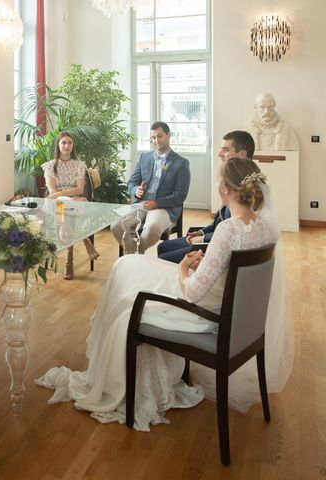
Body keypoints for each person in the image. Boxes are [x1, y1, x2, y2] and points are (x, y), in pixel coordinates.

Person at [36, 156, 282, 430]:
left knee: (127, 282)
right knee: (130, 267)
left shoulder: (227, 230)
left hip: (204, 312)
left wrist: (184, 269)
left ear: (225, 189)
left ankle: (116, 380)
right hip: (231, 310)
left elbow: (192, 293)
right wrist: (204, 264)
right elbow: (232, 270)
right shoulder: (265, 228)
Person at [158, 130, 255, 263]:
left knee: (164, 258)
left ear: (242, 154)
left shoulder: (247, 189)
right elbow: (219, 223)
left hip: (218, 249)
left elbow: (234, 233)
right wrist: (202, 232)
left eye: (225, 149)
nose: (219, 154)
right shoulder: (233, 179)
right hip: (212, 238)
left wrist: (203, 239)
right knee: (163, 246)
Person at [111, 121, 191, 254]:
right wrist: (135, 190)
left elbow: (180, 195)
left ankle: (135, 255)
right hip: (141, 204)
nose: (156, 141)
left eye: (159, 136)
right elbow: (131, 182)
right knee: (116, 226)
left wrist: (157, 203)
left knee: (152, 229)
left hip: (164, 207)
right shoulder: (144, 157)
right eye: (153, 137)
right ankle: (135, 257)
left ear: (168, 135)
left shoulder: (181, 163)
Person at [42, 131, 100, 280]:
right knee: (65, 206)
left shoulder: (80, 165)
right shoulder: (50, 166)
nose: (67, 146)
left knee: (68, 208)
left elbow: (80, 190)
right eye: (63, 143)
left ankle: (70, 256)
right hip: (60, 205)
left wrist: (67, 195)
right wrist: (70, 196)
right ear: (58, 145)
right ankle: (79, 247)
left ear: (73, 145)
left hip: (74, 202)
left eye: (69, 143)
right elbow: (53, 191)